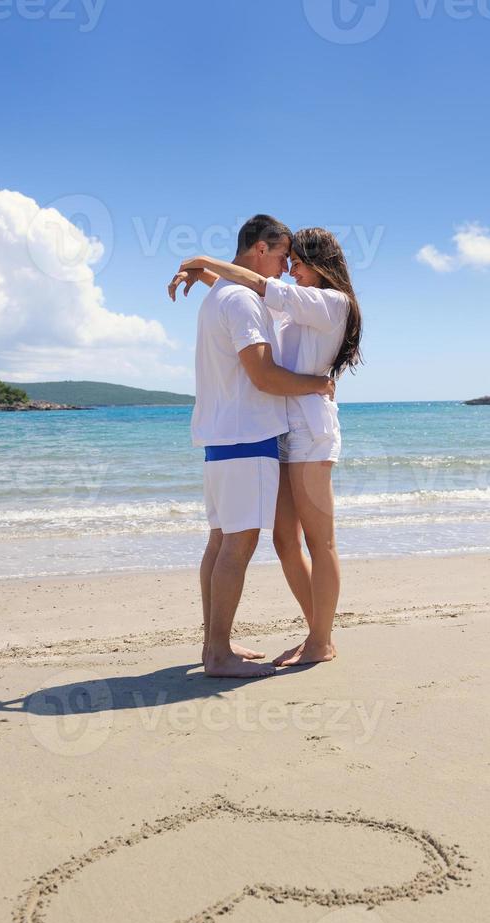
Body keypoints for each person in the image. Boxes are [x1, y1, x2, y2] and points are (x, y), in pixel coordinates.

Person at [171, 227, 362, 667]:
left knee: (320, 541)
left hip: (311, 432)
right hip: (282, 432)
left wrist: (201, 259)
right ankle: (317, 631)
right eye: (288, 258)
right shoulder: (297, 308)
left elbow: (259, 285)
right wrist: (207, 279)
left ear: (321, 261)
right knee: (283, 541)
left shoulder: (332, 303)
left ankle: (320, 640)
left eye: (298, 260)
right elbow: (251, 297)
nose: (291, 267)